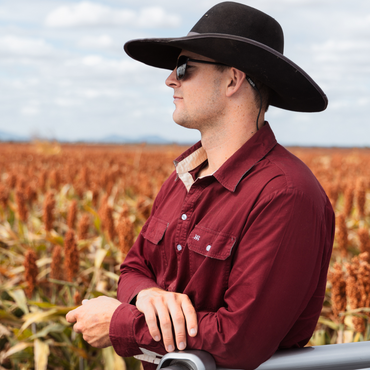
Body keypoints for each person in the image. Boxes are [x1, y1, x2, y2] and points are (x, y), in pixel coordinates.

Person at [66, 2, 335, 369]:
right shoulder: (183, 178)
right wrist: (148, 296)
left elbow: (238, 340)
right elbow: (133, 268)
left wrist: (121, 323)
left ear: (232, 80)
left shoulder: (285, 195)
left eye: (184, 67)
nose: (170, 79)